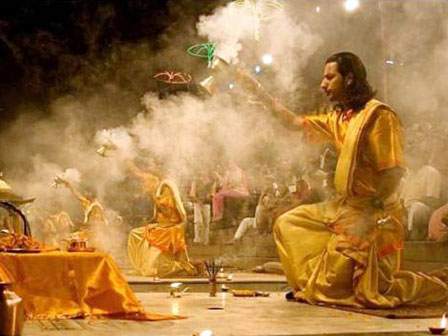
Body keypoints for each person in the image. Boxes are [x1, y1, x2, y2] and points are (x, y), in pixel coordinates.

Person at [239, 52, 448, 308]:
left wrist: (370, 214)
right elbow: (293, 122)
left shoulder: (379, 116)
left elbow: (392, 173)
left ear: (349, 79)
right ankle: (315, 283)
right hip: (343, 209)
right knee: (288, 223)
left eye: (329, 77)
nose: (322, 85)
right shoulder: (338, 119)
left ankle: (440, 284)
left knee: (371, 293)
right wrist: (259, 92)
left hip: (374, 214)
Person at [125, 160, 196, 277]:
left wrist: (152, 195)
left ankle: (181, 266)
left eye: (148, 182)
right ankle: (140, 266)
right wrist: (120, 152)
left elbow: (166, 211)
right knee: (134, 234)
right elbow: (137, 173)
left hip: (169, 228)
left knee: (156, 269)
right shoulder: (156, 186)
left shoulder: (167, 187)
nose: (145, 184)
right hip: (160, 226)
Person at [56, 177, 109, 251]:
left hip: (97, 237)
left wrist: (83, 229)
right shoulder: (88, 203)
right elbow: (78, 197)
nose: (85, 195)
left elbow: (96, 226)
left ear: (91, 194)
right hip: (91, 235)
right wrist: (69, 185)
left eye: (87, 193)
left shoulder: (96, 208)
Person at [189, 170, 214, 245]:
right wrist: (197, 201)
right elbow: (192, 194)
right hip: (197, 204)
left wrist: (209, 197)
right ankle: (197, 239)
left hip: (206, 204)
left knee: (206, 223)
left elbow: (212, 194)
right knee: (198, 222)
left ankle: (205, 241)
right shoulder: (196, 182)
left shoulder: (211, 183)